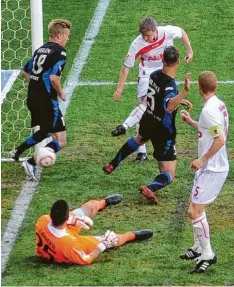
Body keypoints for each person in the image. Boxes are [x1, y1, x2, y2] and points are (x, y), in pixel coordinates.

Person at [104, 46, 191, 204]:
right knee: (169, 174)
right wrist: (184, 91)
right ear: (178, 61)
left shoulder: (154, 75)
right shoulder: (171, 85)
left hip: (148, 118)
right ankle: (150, 188)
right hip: (163, 130)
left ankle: (112, 164)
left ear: (162, 60)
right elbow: (169, 106)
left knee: (139, 139)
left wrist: (179, 99)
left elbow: (160, 97)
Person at [111, 16, 193, 163]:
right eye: (143, 36)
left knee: (157, 110)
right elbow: (126, 67)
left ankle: (126, 127)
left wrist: (190, 51)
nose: (146, 38)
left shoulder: (166, 32)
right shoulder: (137, 44)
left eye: (148, 35)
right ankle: (141, 150)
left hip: (166, 72)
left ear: (155, 30)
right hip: (146, 74)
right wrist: (120, 88)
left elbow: (181, 32)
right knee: (146, 106)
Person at [9, 19, 71, 181]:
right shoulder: (60, 52)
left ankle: (17, 151)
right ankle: (31, 162)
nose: (68, 39)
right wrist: (61, 93)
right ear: (59, 35)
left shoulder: (40, 50)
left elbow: (25, 72)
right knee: (61, 140)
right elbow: (53, 78)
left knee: (46, 130)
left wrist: (37, 84)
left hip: (33, 98)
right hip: (47, 101)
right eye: (67, 36)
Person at [179, 71, 229, 273]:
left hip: (213, 168)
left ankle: (208, 254)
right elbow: (215, 130)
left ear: (199, 88)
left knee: (194, 211)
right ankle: (198, 246)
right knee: (195, 206)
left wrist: (202, 159)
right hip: (209, 168)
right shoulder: (218, 104)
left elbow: (220, 139)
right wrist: (193, 123)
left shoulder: (209, 110)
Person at [35, 194, 153, 265]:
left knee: (85, 210)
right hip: (66, 245)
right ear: (65, 219)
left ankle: (104, 202)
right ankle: (132, 235)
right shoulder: (69, 245)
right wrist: (103, 245)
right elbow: (87, 259)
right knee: (111, 239)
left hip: (58, 237)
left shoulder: (43, 220)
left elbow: (55, 221)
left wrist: (73, 220)